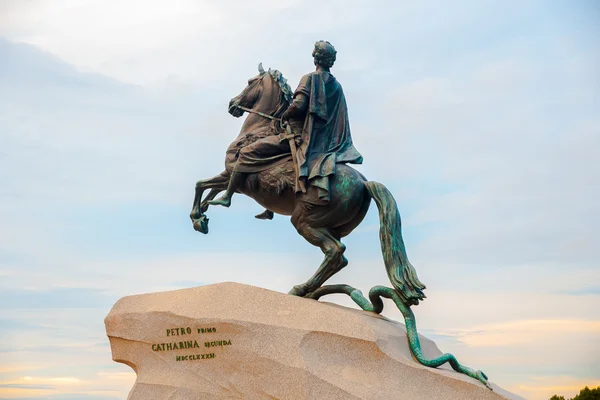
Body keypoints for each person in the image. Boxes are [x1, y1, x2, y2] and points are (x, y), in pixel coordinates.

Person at [209, 40, 362, 207]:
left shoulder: (310, 78)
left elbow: (299, 105)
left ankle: (228, 196)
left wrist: (285, 114)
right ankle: (269, 208)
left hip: (300, 137)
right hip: (324, 144)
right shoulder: (337, 87)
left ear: (315, 58)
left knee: (247, 152)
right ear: (331, 60)